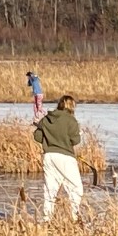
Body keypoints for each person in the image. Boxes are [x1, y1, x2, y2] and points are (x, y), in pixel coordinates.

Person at [32, 94, 84, 222]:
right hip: (65, 158)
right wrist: (79, 133)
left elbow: (37, 137)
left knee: (50, 189)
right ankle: (74, 217)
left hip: (49, 157)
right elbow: (75, 140)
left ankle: (47, 219)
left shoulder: (46, 119)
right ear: (72, 106)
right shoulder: (71, 121)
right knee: (76, 188)